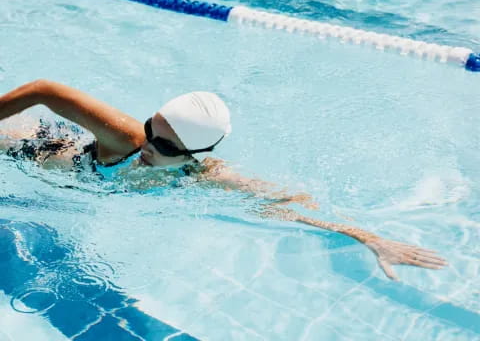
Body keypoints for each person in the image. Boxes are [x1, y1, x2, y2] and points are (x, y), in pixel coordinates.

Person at [0, 79, 447, 281]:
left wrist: (367, 237)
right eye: (152, 131)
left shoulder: (203, 177)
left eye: (168, 147)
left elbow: (287, 202)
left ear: (196, 155)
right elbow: (45, 90)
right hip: (38, 156)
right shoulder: (127, 139)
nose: (151, 147)